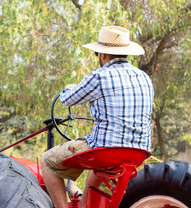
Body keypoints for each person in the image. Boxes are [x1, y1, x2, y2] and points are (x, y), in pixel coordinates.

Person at [41, 26, 154, 208]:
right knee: (100, 158)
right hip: (138, 151)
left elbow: (67, 99)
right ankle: (86, 203)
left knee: (47, 161)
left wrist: (70, 88)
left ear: (103, 55)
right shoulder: (144, 77)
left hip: (106, 149)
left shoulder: (100, 76)